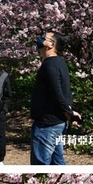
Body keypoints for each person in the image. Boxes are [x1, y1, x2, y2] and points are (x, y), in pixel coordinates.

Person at [30, 31, 81, 165]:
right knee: (57, 163)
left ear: (51, 44)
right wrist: (69, 113)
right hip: (57, 123)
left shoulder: (50, 65)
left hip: (47, 124)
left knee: (40, 165)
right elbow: (66, 92)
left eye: (44, 38)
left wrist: (69, 112)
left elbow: (57, 93)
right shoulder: (59, 63)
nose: (40, 39)